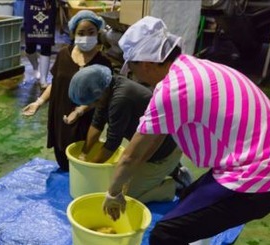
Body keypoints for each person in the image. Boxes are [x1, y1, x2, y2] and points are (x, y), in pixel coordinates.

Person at [103, 17, 270, 245]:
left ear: (147, 62)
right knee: (191, 200)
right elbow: (153, 141)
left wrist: (113, 192)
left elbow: (131, 155)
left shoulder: (171, 90)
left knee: (165, 235)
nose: (135, 75)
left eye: (134, 66)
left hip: (260, 178)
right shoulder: (194, 67)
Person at [68, 64, 193, 203]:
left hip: (164, 151)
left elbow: (112, 143)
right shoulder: (108, 88)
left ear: (99, 93)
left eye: (93, 102)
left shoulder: (121, 99)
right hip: (152, 145)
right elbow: (97, 124)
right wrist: (84, 153)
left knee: (126, 196)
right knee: (122, 180)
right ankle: (172, 170)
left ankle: (174, 185)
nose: (92, 106)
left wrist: (90, 168)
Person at [22, 10, 111, 172]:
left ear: (98, 32)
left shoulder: (102, 62)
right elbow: (55, 84)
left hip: (86, 117)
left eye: (91, 32)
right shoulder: (64, 54)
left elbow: (102, 97)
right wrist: (38, 102)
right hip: (60, 112)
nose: (86, 37)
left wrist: (80, 111)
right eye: (81, 33)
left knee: (81, 158)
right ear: (73, 34)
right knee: (62, 157)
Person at [23, 0, 56, 88]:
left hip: (48, 6)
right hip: (31, 5)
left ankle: (43, 78)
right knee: (29, 45)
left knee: (46, 43)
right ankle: (35, 66)